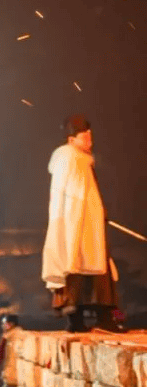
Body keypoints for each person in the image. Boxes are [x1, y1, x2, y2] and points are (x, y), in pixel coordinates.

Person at [41, 115, 121, 332]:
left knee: (92, 272)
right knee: (76, 270)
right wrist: (76, 226)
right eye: (85, 137)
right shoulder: (70, 159)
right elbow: (72, 199)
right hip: (76, 227)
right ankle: (80, 319)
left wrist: (97, 215)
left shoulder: (81, 161)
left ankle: (97, 318)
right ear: (71, 139)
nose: (90, 141)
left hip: (88, 227)